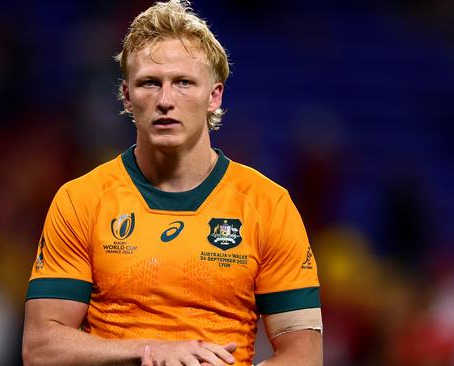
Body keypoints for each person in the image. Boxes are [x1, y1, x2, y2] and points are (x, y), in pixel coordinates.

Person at [22, 1, 323, 365]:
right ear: (127, 96)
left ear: (214, 96)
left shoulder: (268, 205)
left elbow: (304, 354)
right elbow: (40, 348)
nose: (166, 100)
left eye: (183, 83)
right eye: (149, 83)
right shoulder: (81, 201)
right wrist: (151, 351)